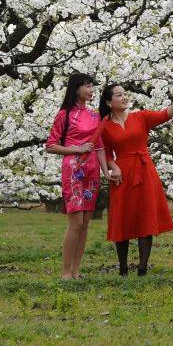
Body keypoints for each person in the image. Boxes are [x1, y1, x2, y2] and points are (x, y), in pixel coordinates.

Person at [97, 83, 173, 275]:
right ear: (108, 102)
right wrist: (113, 167)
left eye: (125, 94)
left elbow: (166, 114)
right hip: (122, 174)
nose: (124, 97)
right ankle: (122, 267)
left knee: (145, 215)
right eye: (119, 95)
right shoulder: (104, 126)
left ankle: (142, 268)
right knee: (123, 217)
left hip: (145, 170)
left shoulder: (141, 116)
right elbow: (104, 154)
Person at [44, 72, 103, 280]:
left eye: (92, 86)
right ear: (76, 88)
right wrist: (76, 149)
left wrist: (107, 171)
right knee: (75, 223)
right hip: (73, 171)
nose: (91, 89)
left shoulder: (95, 115)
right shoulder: (65, 114)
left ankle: (76, 271)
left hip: (92, 171)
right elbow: (50, 146)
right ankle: (65, 272)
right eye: (87, 86)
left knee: (86, 223)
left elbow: (100, 146)